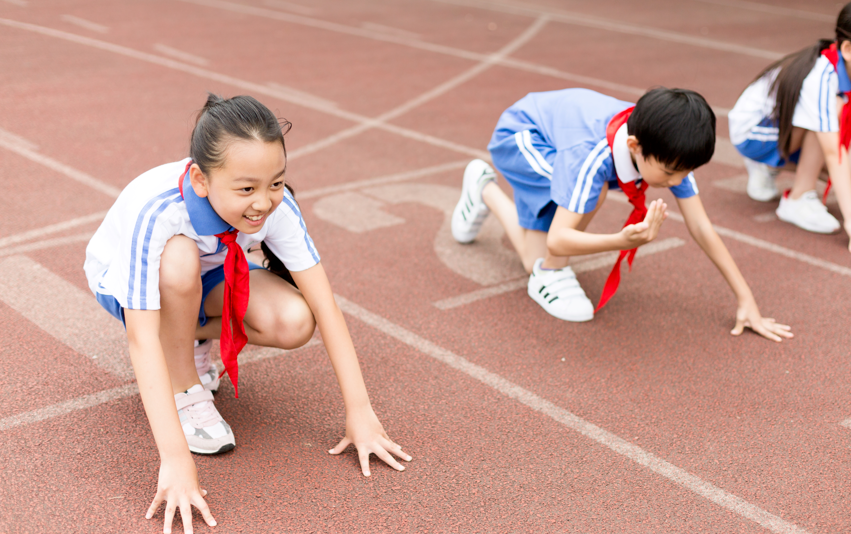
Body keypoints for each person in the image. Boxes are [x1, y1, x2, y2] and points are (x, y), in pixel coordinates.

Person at [84, 94, 410, 533]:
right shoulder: (160, 211)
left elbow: (324, 303)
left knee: (295, 321)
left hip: (214, 271)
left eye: (276, 183)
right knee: (179, 261)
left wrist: (360, 411)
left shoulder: (276, 206)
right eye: (246, 189)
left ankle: (191, 337)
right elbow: (141, 340)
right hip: (133, 282)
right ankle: (186, 386)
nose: (263, 202)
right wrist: (176, 461)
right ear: (201, 180)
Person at [451, 86, 792, 343]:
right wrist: (619, 240)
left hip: (560, 136)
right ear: (634, 148)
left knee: (534, 252)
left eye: (684, 172)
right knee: (563, 228)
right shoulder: (593, 157)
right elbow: (559, 239)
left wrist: (746, 299)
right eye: (671, 172)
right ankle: (550, 273)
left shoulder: (667, 147)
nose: (676, 182)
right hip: (523, 137)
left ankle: (482, 187)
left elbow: (701, 226)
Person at [728, 0, 851, 255]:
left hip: (785, 132)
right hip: (753, 133)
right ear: (848, 49)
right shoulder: (821, 79)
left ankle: (768, 166)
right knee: (832, 111)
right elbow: (833, 152)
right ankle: (796, 199)